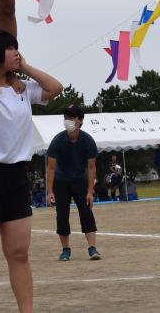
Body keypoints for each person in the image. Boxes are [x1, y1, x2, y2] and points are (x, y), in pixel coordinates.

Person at [0, 30, 64, 312]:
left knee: (19, 253)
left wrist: (25, 68)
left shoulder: (23, 89)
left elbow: (55, 87)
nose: (14, 52)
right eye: (8, 48)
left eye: (16, 47)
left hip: (16, 176)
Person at [47, 106, 101, 261]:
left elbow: (91, 168)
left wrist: (90, 191)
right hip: (61, 181)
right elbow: (50, 168)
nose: (68, 120)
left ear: (80, 120)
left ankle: (92, 248)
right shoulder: (57, 141)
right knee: (62, 215)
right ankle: (65, 250)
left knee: (86, 212)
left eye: (72, 117)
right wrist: (50, 192)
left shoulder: (88, 141)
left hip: (80, 180)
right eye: (66, 117)